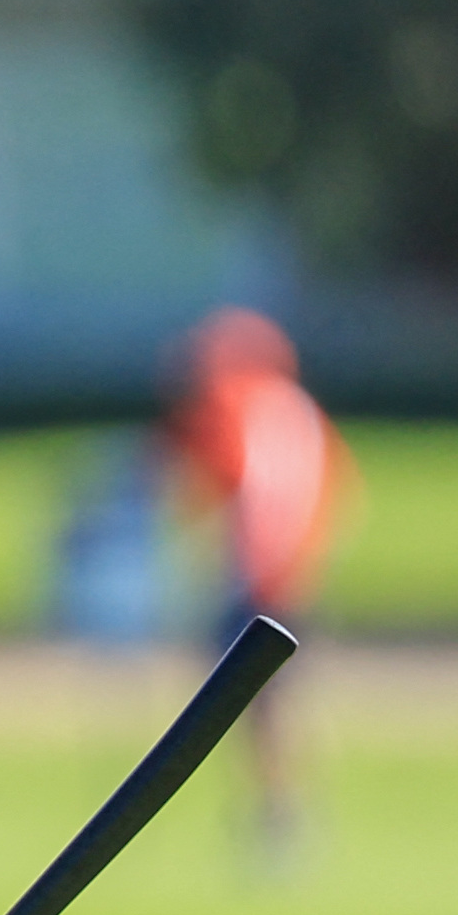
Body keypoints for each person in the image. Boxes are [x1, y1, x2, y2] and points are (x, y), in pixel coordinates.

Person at [166, 307, 354, 857]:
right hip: (292, 578)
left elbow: (214, 489)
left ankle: (276, 813)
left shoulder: (238, 407)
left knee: (256, 707)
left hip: (256, 582)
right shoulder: (300, 413)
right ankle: (284, 807)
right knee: (283, 705)